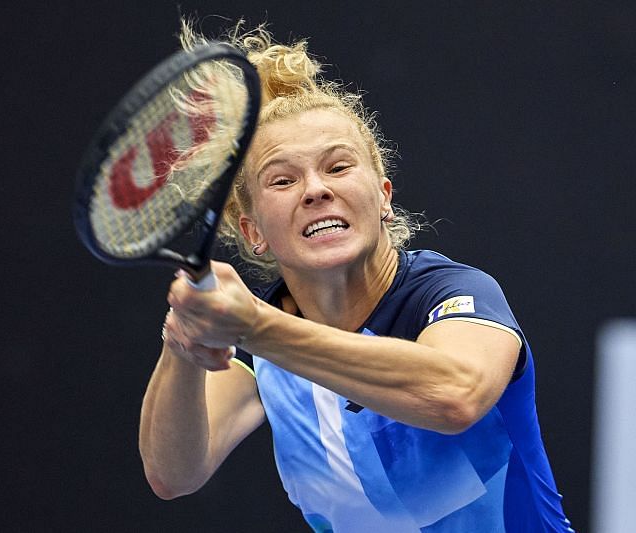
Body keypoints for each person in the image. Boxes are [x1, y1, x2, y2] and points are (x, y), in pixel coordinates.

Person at [139, 20, 573, 532]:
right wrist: (183, 343)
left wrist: (253, 327)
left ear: (384, 198)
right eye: (283, 180)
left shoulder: (452, 294)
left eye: (339, 167)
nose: (316, 190)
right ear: (254, 232)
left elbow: (456, 395)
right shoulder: (262, 358)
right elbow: (173, 473)